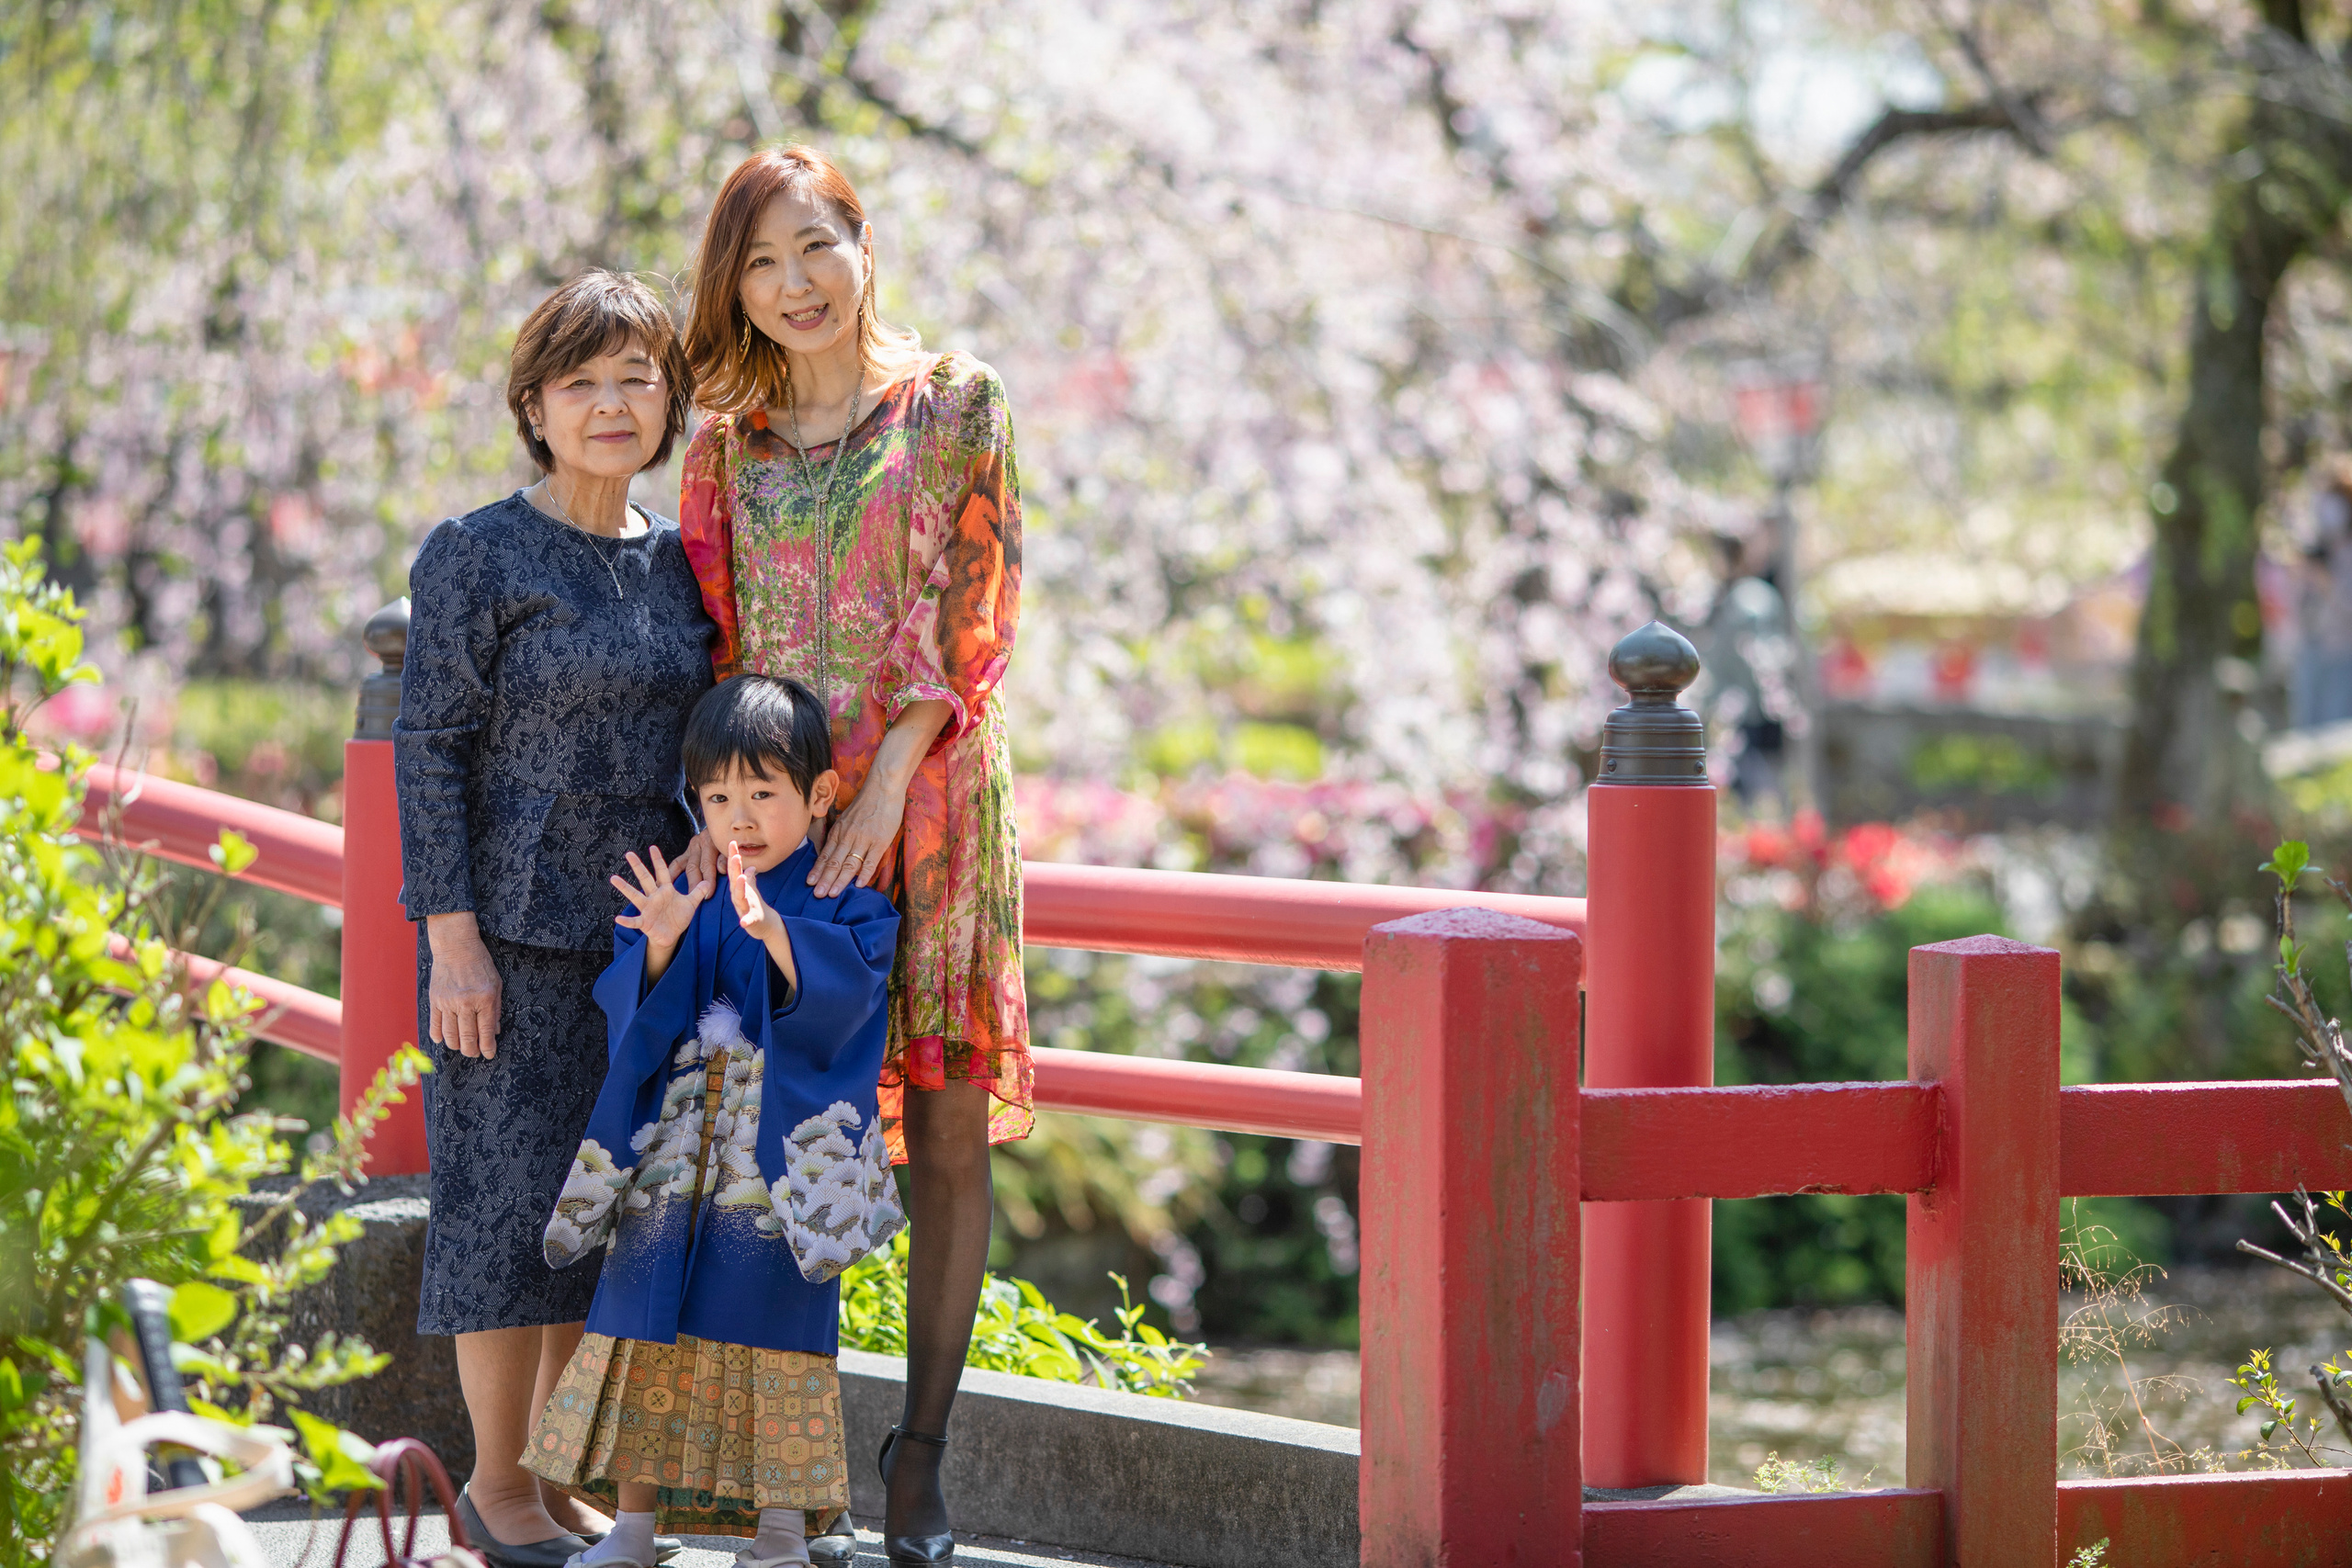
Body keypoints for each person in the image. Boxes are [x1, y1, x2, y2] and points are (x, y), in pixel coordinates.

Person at [676, 145, 1027, 1566]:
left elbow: (975, 601)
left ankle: (918, 1454)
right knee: (775, 1127)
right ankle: (787, 1472)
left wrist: (884, 777)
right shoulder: (725, 448)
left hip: (929, 809)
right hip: (782, 830)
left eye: (816, 245)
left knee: (942, 1128)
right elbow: (718, 642)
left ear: (863, 245)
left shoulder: (956, 404)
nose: (795, 283)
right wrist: (741, 820)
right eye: (761, 262)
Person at [395, 270, 715, 1568]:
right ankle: (493, 1488)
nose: (611, 404)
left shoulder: (681, 558)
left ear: (670, 402)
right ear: (533, 405)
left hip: (646, 933)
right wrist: (450, 938)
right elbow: (429, 750)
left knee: (603, 1207)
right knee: (503, 1204)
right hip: (511, 931)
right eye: (581, 381)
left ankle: (556, 1475)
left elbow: (711, 731)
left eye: (637, 378)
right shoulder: (475, 551)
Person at [525, 674, 901, 1568]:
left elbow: (851, 995)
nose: (739, 816)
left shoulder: (844, 901)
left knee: (777, 1334)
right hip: (675, 1149)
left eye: (763, 793)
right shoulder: (690, 893)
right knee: (643, 1324)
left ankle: (780, 1533)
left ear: (820, 794)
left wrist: (779, 936)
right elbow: (637, 1017)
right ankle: (633, 1526)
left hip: (772, 1161)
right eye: (718, 797)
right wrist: (659, 941)